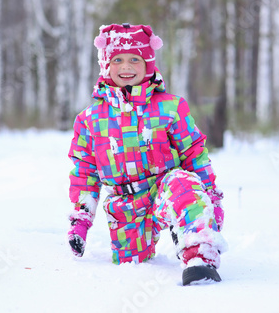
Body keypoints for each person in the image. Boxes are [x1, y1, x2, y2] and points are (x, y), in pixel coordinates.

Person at [67, 23, 227, 285]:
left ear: (148, 64)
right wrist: (81, 220)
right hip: (126, 203)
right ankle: (158, 237)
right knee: (133, 265)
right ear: (106, 65)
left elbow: (194, 153)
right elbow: (85, 173)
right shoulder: (90, 119)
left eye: (134, 59)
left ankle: (198, 257)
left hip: (166, 188)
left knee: (181, 184)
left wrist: (210, 198)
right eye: (117, 59)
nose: (126, 66)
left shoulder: (170, 108)